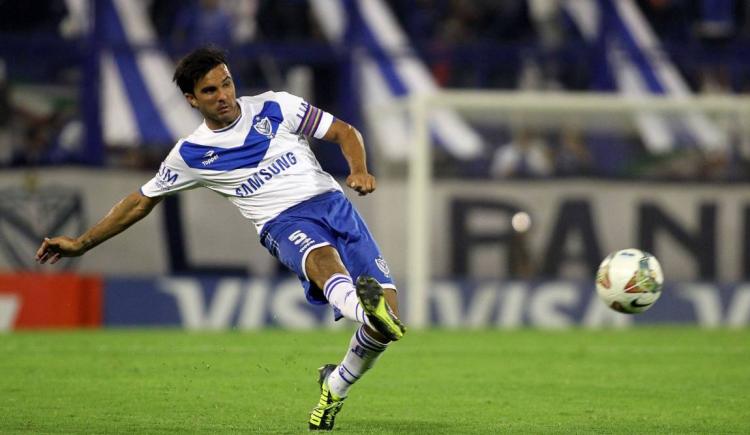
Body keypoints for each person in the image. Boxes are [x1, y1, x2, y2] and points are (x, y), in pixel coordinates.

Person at [35, 46, 406, 431]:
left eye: (226, 84)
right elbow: (139, 202)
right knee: (322, 257)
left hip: (333, 203)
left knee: (387, 325)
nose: (223, 95)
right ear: (192, 100)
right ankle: (366, 310)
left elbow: (345, 132)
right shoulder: (191, 154)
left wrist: (359, 169)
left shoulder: (276, 106)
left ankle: (335, 384)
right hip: (281, 221)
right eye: (210, 91)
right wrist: (81, 243)